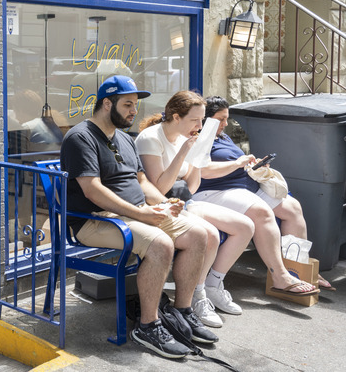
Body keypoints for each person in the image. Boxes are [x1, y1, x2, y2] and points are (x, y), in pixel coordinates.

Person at [60, 75, 218, 360]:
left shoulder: (124, 138)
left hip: (134, 213)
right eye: (127, 104)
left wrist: (164, 202)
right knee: (161, 244)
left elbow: (142, 181)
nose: (135, 111)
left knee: (199, 234)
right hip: (95, 219)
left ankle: (182, 312)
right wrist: (142, 213)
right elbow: (92, 191)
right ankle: (148, 325)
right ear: (107, 104)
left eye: (135, 105)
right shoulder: (80, 137)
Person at [135, 91, 255, 328]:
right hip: (161, 203)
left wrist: (198, 156)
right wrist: (184, 152)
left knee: (245, 226)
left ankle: (212, 285)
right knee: (208, 234)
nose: (199, 126)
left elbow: (192, 186)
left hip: (184, 201)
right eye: (195, 120)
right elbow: (158, 188)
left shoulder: (183, 137)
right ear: (176, 117)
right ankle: (197, 296)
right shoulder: (151, 138)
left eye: (202, 121)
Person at [193, 95, 329, 296]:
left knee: (293, 208)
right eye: (220, 119)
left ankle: (299, 268)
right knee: (261, 212)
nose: (225, 123)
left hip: (245, 185)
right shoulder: (198, 138)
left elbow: (236, 160)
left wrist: (253, 164)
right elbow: (203, 170)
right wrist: (238, 163)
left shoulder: (222, 136)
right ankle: (280, 276)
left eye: (226, 118)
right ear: (206, 119)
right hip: (217, 190)